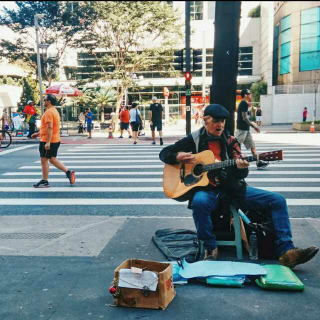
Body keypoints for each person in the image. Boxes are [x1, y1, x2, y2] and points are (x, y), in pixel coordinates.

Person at [159, 103, 319, 267]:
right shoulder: (194, 139)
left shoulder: (230, 141)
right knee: (199, 202)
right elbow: (164, 153)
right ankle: (210, 248)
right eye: (216, 121)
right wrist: (177, 156)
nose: (221, 124)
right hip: (207, 191)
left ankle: (287, 252)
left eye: (223, 121)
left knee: (277, 200)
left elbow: (241, 173)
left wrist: (241, 168)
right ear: (206, 120)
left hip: (232, 190)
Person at [31, 94, 75, 188]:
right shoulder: (54, 111)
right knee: (52, 159)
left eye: (45, 99)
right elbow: (48, 127)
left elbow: (50, 127)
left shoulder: (49, 113)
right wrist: (38, 134)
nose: (44, 101)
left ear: (49, 101)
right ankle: (68, 172)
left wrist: (47, 142)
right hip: (55, 139)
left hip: (48, 140)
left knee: (44, 160)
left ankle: (45, 181)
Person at [235, 89, 269, 170]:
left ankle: (258, 163)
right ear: (245, 95)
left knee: (252, 146)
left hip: (246, 130)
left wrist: (252, 124)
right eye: (249, 93)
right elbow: (244, 118)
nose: (250, 95)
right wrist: (254, 126)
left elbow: (246, 118)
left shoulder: (245, 103)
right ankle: (233, 163)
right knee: (235, 146)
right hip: (242, 129)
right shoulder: (244, 103)